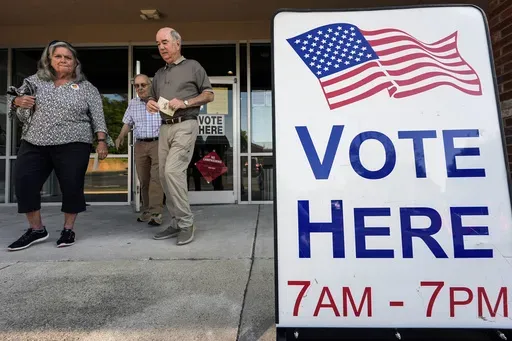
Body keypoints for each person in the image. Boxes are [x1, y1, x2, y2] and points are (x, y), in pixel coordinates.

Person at [6, 40, 112, 251]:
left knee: (71, 186)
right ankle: (36, 229)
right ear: (49, 60)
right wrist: (17, 102)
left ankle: (68, 229)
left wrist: (101, 141)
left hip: (74, 142)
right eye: (58, 56)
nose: (63, 60)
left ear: (75, 63)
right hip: (35, 141)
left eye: (68, 57)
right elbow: (14, 99)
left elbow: (98, 117)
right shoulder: (34, 81)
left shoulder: (86, 87)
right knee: (24, 183)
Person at [146, 27, 214, 245]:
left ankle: (186, 222)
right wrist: (150, 102)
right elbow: (152, 97)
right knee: (164, 177)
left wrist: (185, 102)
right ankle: (176, 221)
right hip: (164, 126)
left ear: (177, 43)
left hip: (185, 124)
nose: (161, 47)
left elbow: (209, 94)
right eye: (158, 44)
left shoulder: (193, 66)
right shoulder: (159, 74)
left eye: (164, 42)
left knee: (173, 171)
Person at [116, 74, 164, 226]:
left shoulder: (160, 101)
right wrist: (120, 136)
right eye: (137, 85)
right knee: (144, 180)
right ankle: (147, 211)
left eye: (143, 84)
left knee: (156, 179)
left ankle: (156, 213)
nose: (140, 88)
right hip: (140, 145)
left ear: (150, 85)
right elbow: (127, 123)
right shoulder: (133, 103)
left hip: (157, 143)